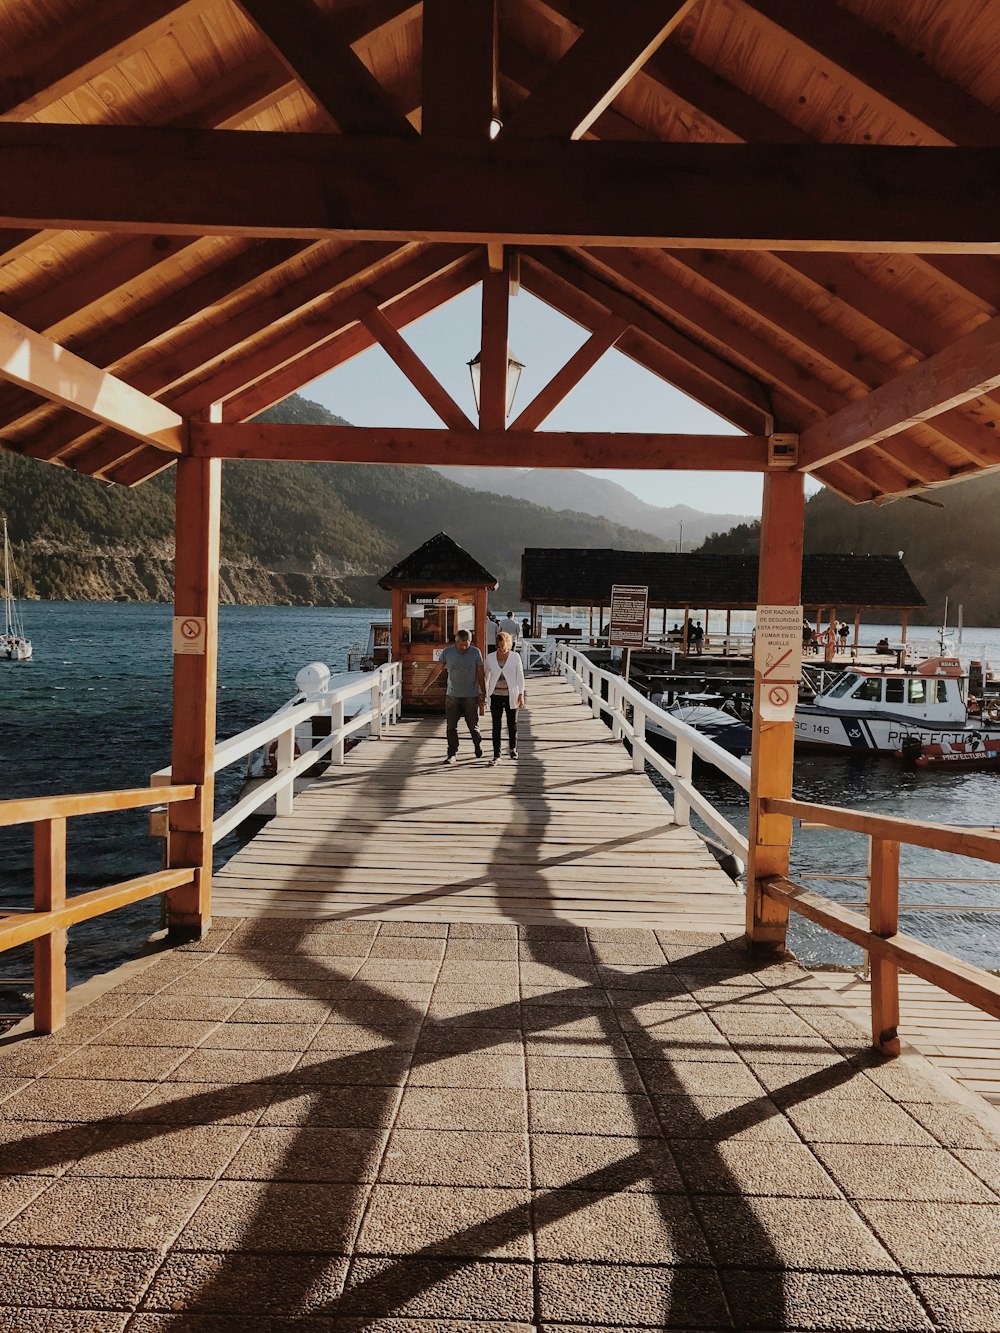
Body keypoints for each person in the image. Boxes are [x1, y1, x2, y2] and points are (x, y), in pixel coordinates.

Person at [420, 629, 486, 763]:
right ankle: (452, 753)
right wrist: (425, 685)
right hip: (452, 695)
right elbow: (437, 670)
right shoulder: (447, 652)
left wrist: (483, 693)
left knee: (473, 725)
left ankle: (477, 744)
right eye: (461, 645)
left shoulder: (475, 652)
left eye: (467, 644)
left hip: (470, 695)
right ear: (456, 642)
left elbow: (480, 673)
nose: (464, 647)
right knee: (451, 726)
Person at [485, 630, 525, 764]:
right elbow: (486, 676)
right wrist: (483, 693)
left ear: (508, 644)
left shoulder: (515, 657)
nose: (501, 650)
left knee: (511, 723)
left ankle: (513, 748)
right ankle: (497, 754)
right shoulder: (490, 657)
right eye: (498, 646)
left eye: (503, 646)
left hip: (511, 694)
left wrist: (521, 694)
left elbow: (520, 676)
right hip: (495, 695)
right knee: (496, 725)